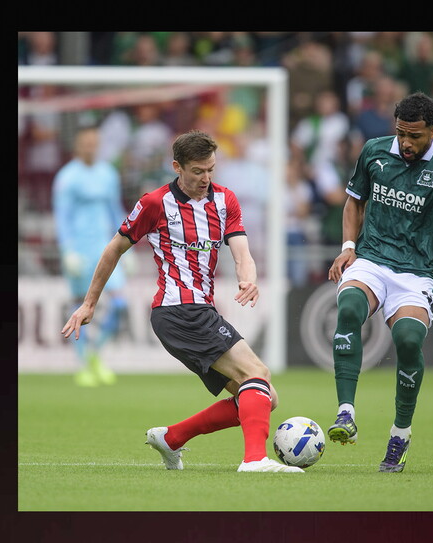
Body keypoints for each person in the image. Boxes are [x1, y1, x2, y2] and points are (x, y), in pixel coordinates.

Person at [61, 129, 303, 474]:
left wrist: (247, 276)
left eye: (211, 170)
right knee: (257, 374)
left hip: (198, 310)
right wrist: (89, 303)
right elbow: (114, 248)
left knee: (265, 397)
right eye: (197, 171)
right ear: (177, 167)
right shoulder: (154, 203)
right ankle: (254, 460)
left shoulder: (226, 201)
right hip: (178, 310)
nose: (206, 178)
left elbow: (241, 250)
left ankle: (172, 438)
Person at [326, 91, 433, 473]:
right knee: (348, 307)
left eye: (414, 136)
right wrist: (349, 245)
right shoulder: (374, 151)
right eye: (400, 133)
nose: (406, 143)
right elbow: (354, 201)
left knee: (409, 341)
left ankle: (400, 433)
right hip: (372, 259)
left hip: (416, 273)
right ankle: (345, 413)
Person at [53, 126, 129, 387]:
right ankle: (83, 363)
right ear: (77, 145)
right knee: (79, 307)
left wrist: (127, 244)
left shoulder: (107, 174)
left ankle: (95, 354)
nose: (91, 147)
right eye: (86, 143)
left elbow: (114, 208)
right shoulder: (67, 177)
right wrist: (67, 251)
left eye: (94, 143)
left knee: (120, 304)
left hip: (105, 248)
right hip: (79, 250)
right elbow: (62, 217)